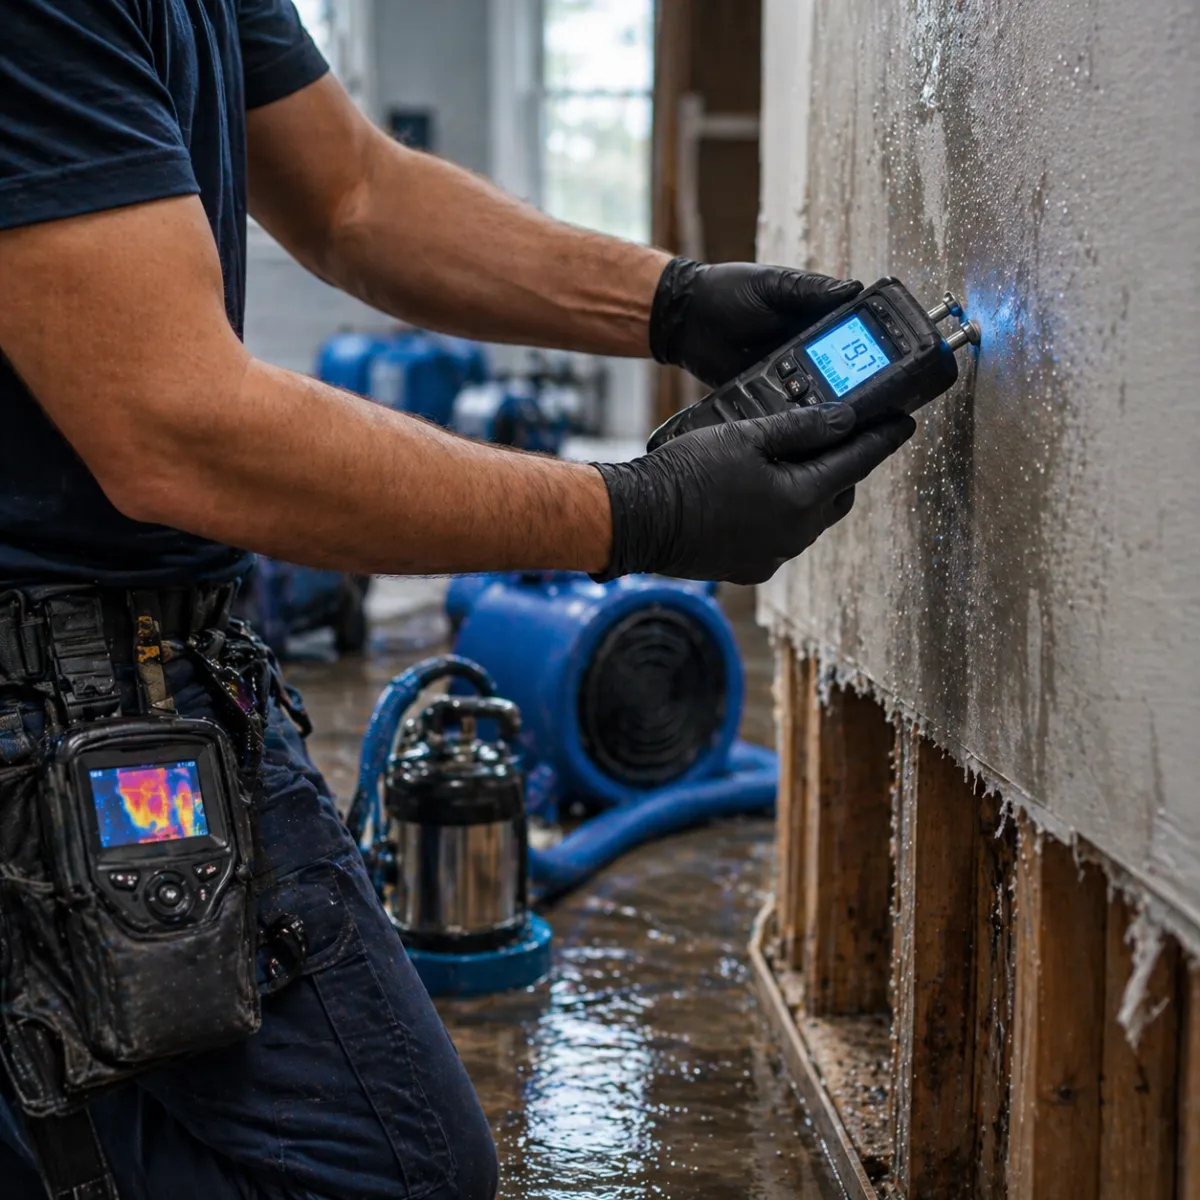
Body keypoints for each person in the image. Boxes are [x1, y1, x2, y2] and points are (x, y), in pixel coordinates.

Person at [0, 3, 915, 1198]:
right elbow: (173, 425)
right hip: (55, 705)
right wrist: (634, 513)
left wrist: (671, 304)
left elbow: (354, 196)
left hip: (172, 662)